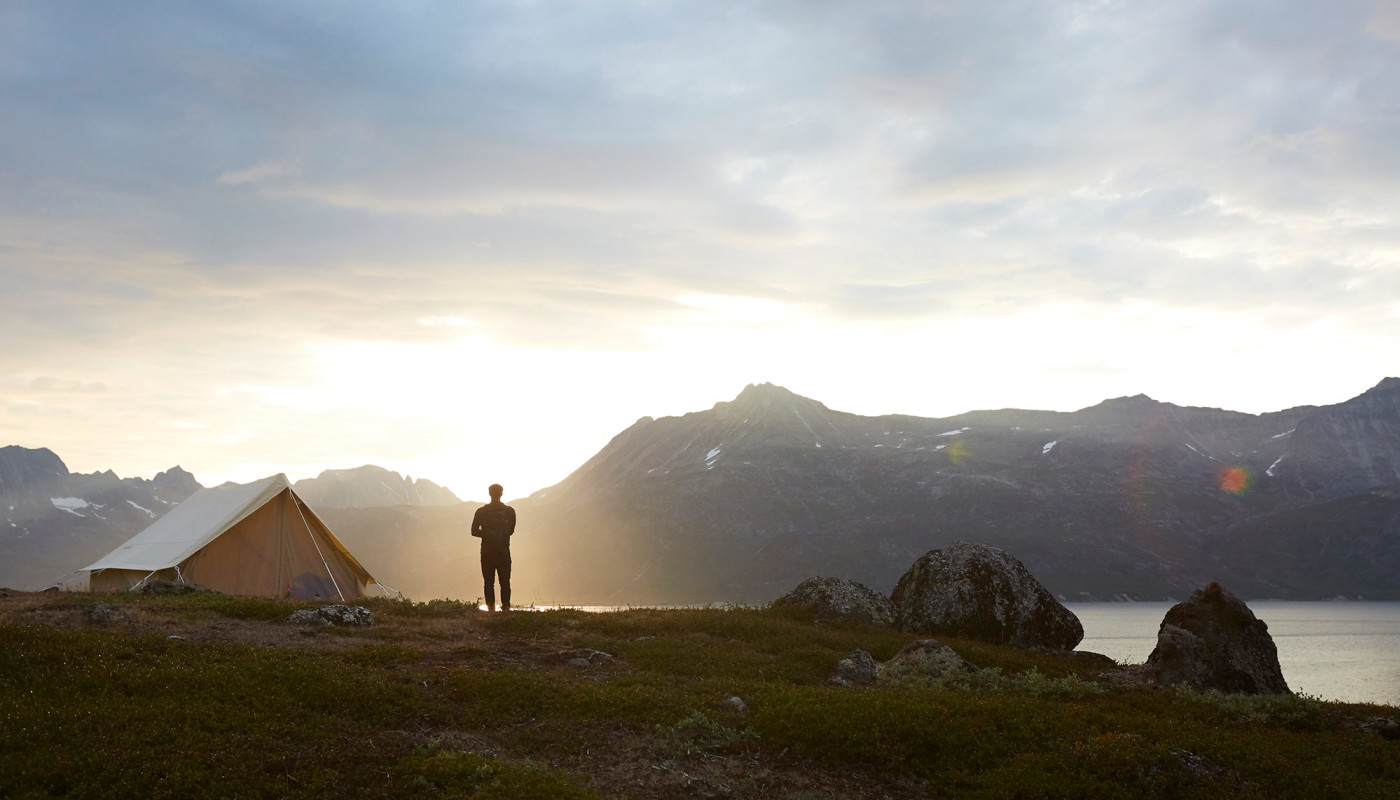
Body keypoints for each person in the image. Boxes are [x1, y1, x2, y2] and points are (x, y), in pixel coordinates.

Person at [471, 483, 516, 611]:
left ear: (489, 493)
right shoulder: (510, 511)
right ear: (502, 493)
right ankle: (506, 608)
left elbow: (473, 531)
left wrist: (486, 535)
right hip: (503, 551)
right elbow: (511, 531)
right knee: (505, 582)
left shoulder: (481, 512)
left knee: (488, 583)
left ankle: (490, 608)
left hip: (487, 552)